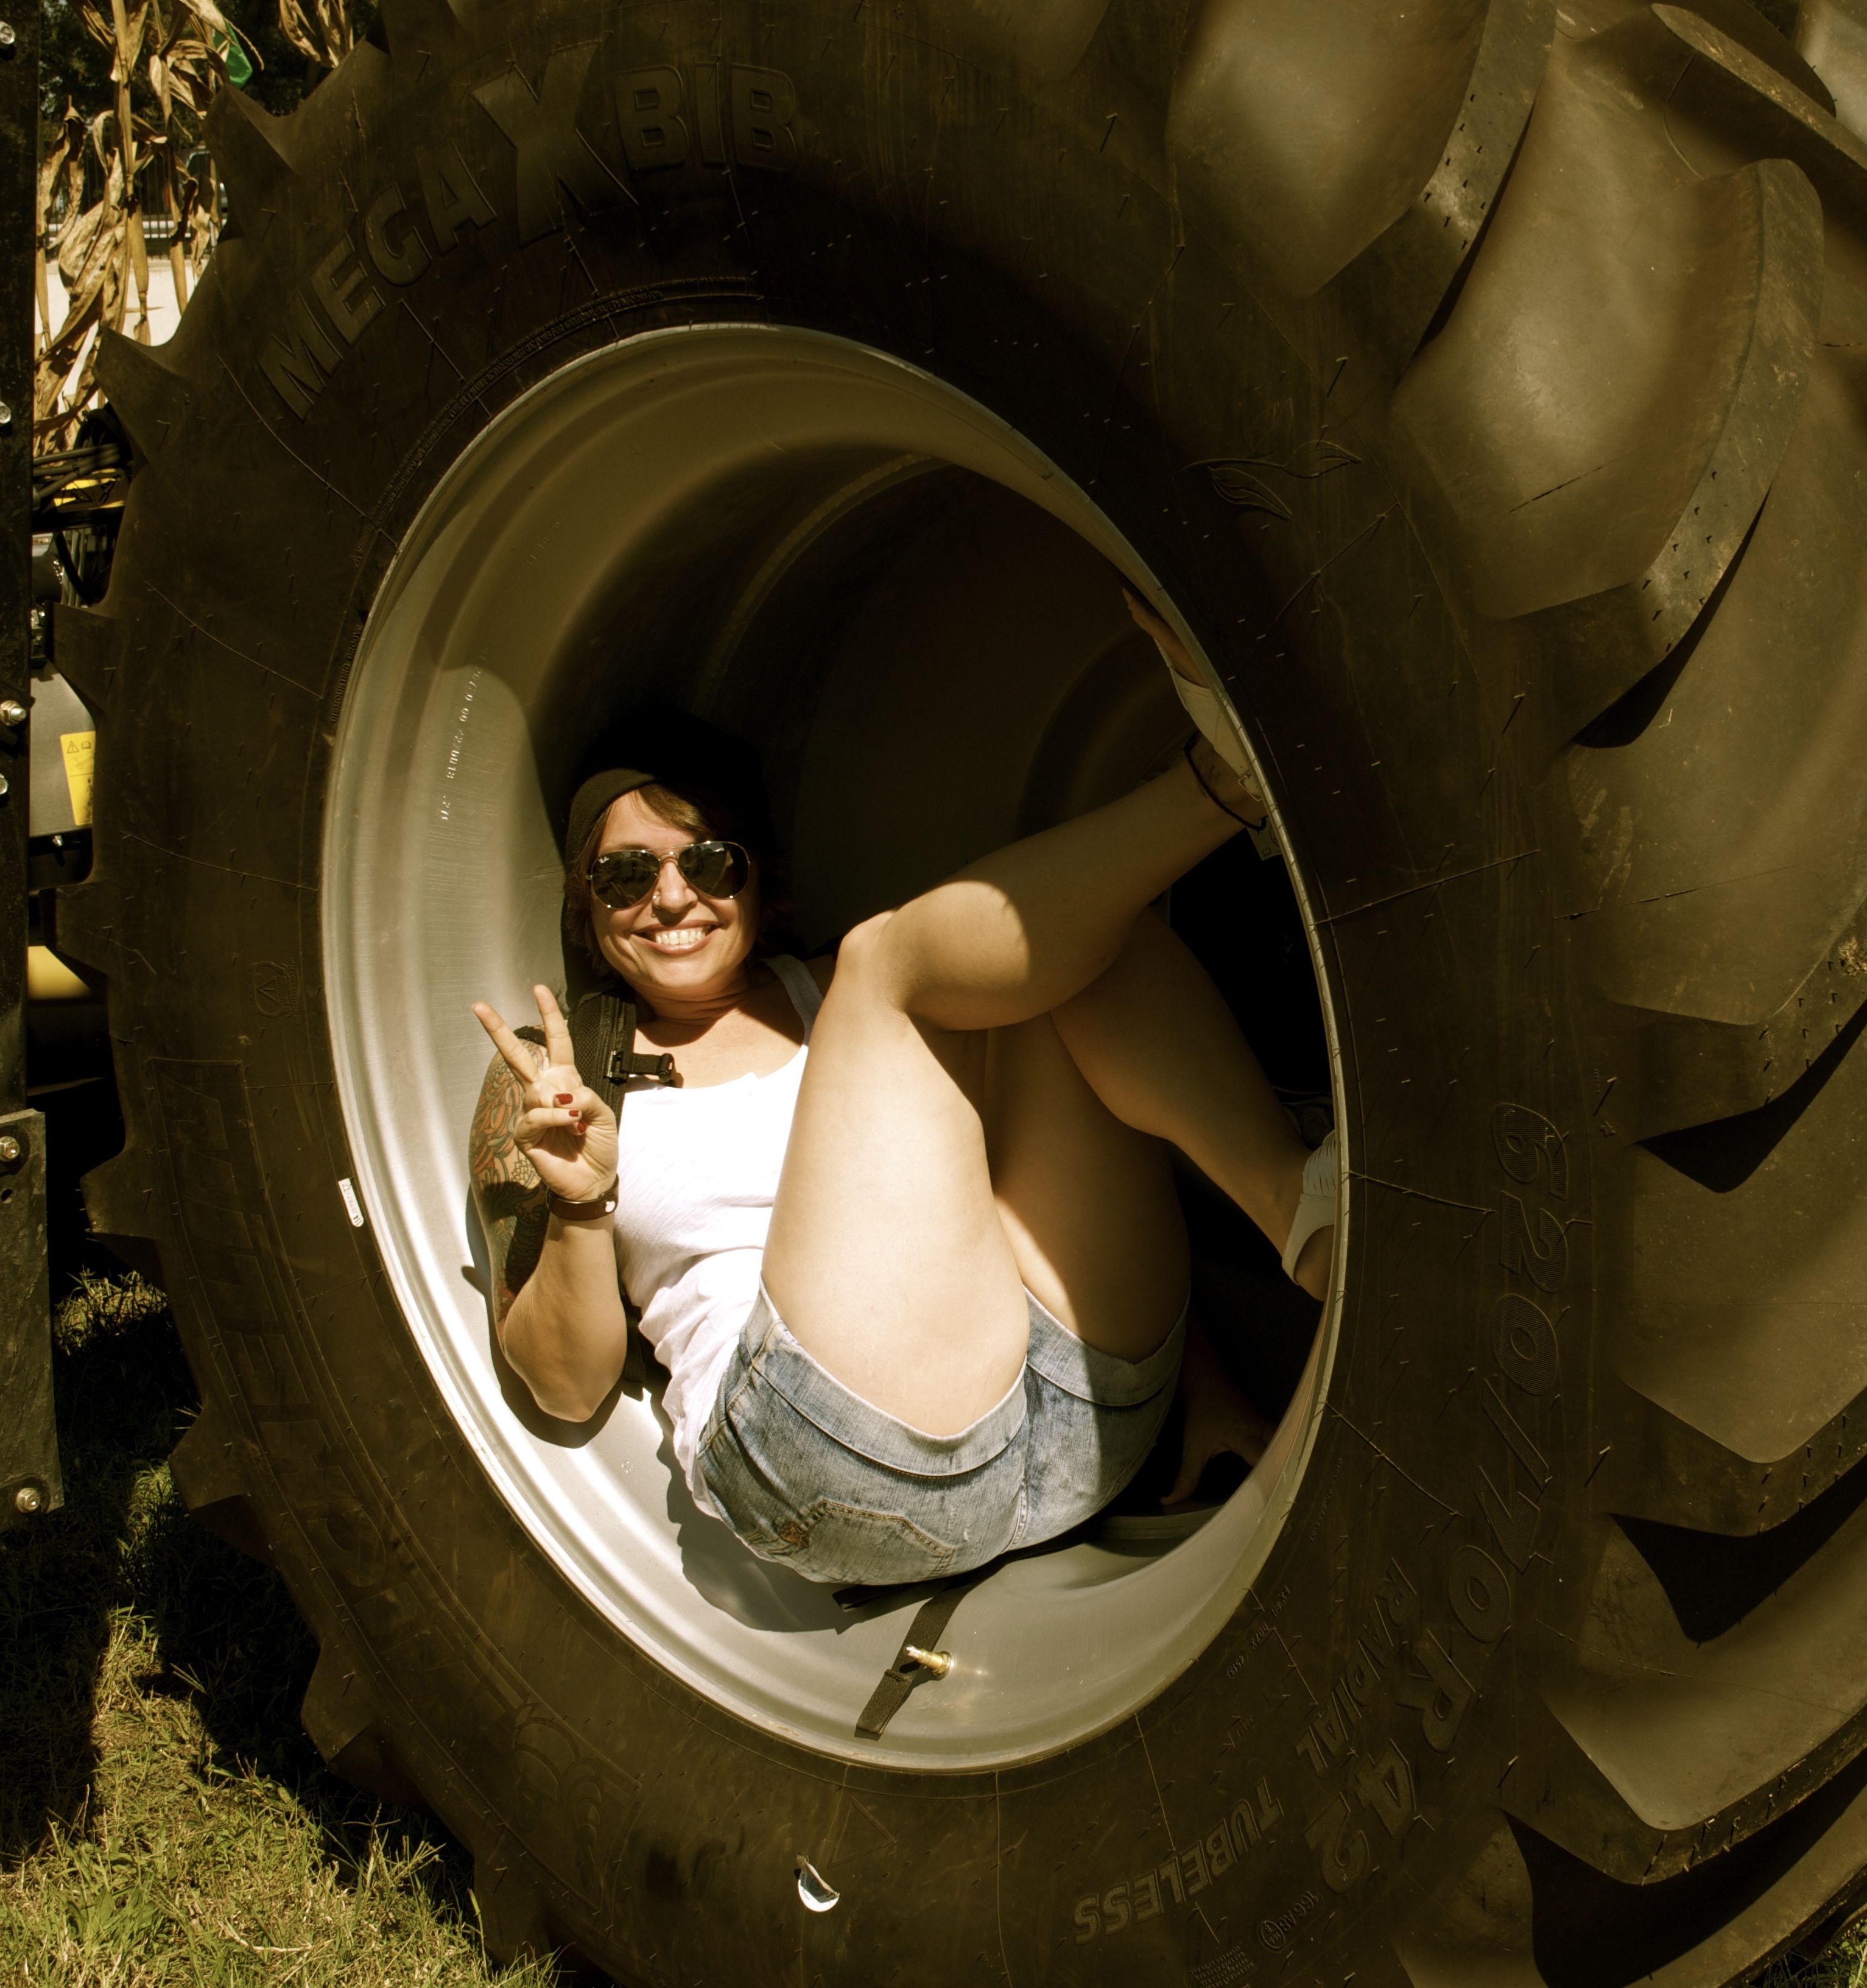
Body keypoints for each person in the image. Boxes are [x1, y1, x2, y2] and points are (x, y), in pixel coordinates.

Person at [466, 595, 1334, 1587]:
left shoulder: (856, 1003)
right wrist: (584, 1207)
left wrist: (1208, 1387)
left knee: (1073, 937)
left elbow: (1034, 1201)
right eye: (626, 876)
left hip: (1083, 1421)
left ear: (758, 878)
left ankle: (1298, 1213)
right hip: (820, 1463)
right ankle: (1226, 782)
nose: (670, 898)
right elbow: (565, 1389)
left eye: (707, 862)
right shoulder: (566, 1077)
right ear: (587, 905)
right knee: (899, 959)